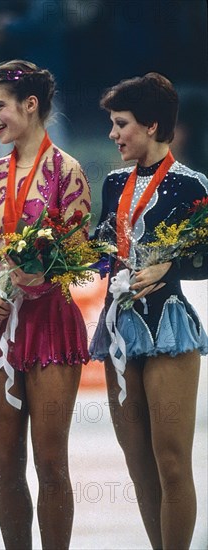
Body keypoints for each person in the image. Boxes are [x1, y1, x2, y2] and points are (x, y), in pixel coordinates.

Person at [0, 59, 91, 549]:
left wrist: (39, 279)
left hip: (49, 327)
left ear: (30, 105)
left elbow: (79, 252)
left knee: (51, 463)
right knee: (4, 464)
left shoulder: (67, 171)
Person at [90, 73, 208, 549]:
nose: (113, 134)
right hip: (119, 328)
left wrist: (170, 263)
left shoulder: (192, 185)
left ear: (152, 125)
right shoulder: (114, 182)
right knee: (139, 462)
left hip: (168, 327)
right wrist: (51, 250)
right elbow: (103, 247)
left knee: (172, 460)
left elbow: (205, 257)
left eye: (121, 124)